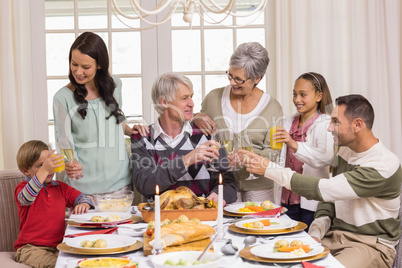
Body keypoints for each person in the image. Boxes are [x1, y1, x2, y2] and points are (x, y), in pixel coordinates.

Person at [239, 94, 401, 268]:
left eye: (336, 122)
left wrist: (270, 169)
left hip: (370, 245)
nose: (330, 128)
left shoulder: (383, 164)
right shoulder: (344, 153)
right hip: (334, 237)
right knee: (276, 260)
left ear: (358, 125)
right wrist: (315, 233)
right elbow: (330, 200)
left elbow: (325, 189)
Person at [194, 42, 283, 202]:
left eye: (239, 80)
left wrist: (248, 157)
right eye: (230, 75)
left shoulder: (273, 108)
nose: (232, 83)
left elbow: (274, 153)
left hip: (258, 187)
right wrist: (195, 118)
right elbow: (195, 136)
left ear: (257, 78)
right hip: (220, 184)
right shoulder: (213, 98)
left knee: (258, 225)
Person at [131, 72, 237, 205]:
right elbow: (144, 184)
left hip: (203, 218)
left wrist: (218, 195)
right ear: (164, 102)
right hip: (161, 220)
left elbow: (228, 182)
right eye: (184, 98)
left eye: (191, 97)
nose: (192, 103)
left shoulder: (206, 134)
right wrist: (186, 160)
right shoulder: (143, 138)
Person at [53, 32, 134, 195]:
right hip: (83, 189)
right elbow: (63, 140)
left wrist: (130, 131)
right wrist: (71, 163)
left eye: (86, 67)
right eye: (74, 64)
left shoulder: (115, 85)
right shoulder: (63, 98)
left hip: (120, 184)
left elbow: (115, 121)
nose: (78, 72)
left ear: (99, 65)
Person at [14, 140, 95, 268]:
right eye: (41, 165)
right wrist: (45, 169)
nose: (49, 169)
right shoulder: (23, 188)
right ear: (25, 171)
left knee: (79, 262)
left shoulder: (60, 188)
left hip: (58, 246)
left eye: (49, 164)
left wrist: (84, 204)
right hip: (30, 249)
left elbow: (85, 197)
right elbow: (26, 198)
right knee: (56, 265)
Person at [273, 72, 334, 230]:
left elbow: (325, 158)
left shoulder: (326, 124)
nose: (297, 99)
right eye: (294, 94)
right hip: (286, 200)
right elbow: (281, 158)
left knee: (305, 247)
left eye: (303, 94)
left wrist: (294, 144)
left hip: (310, 205)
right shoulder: (288, 122)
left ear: (319, 96)